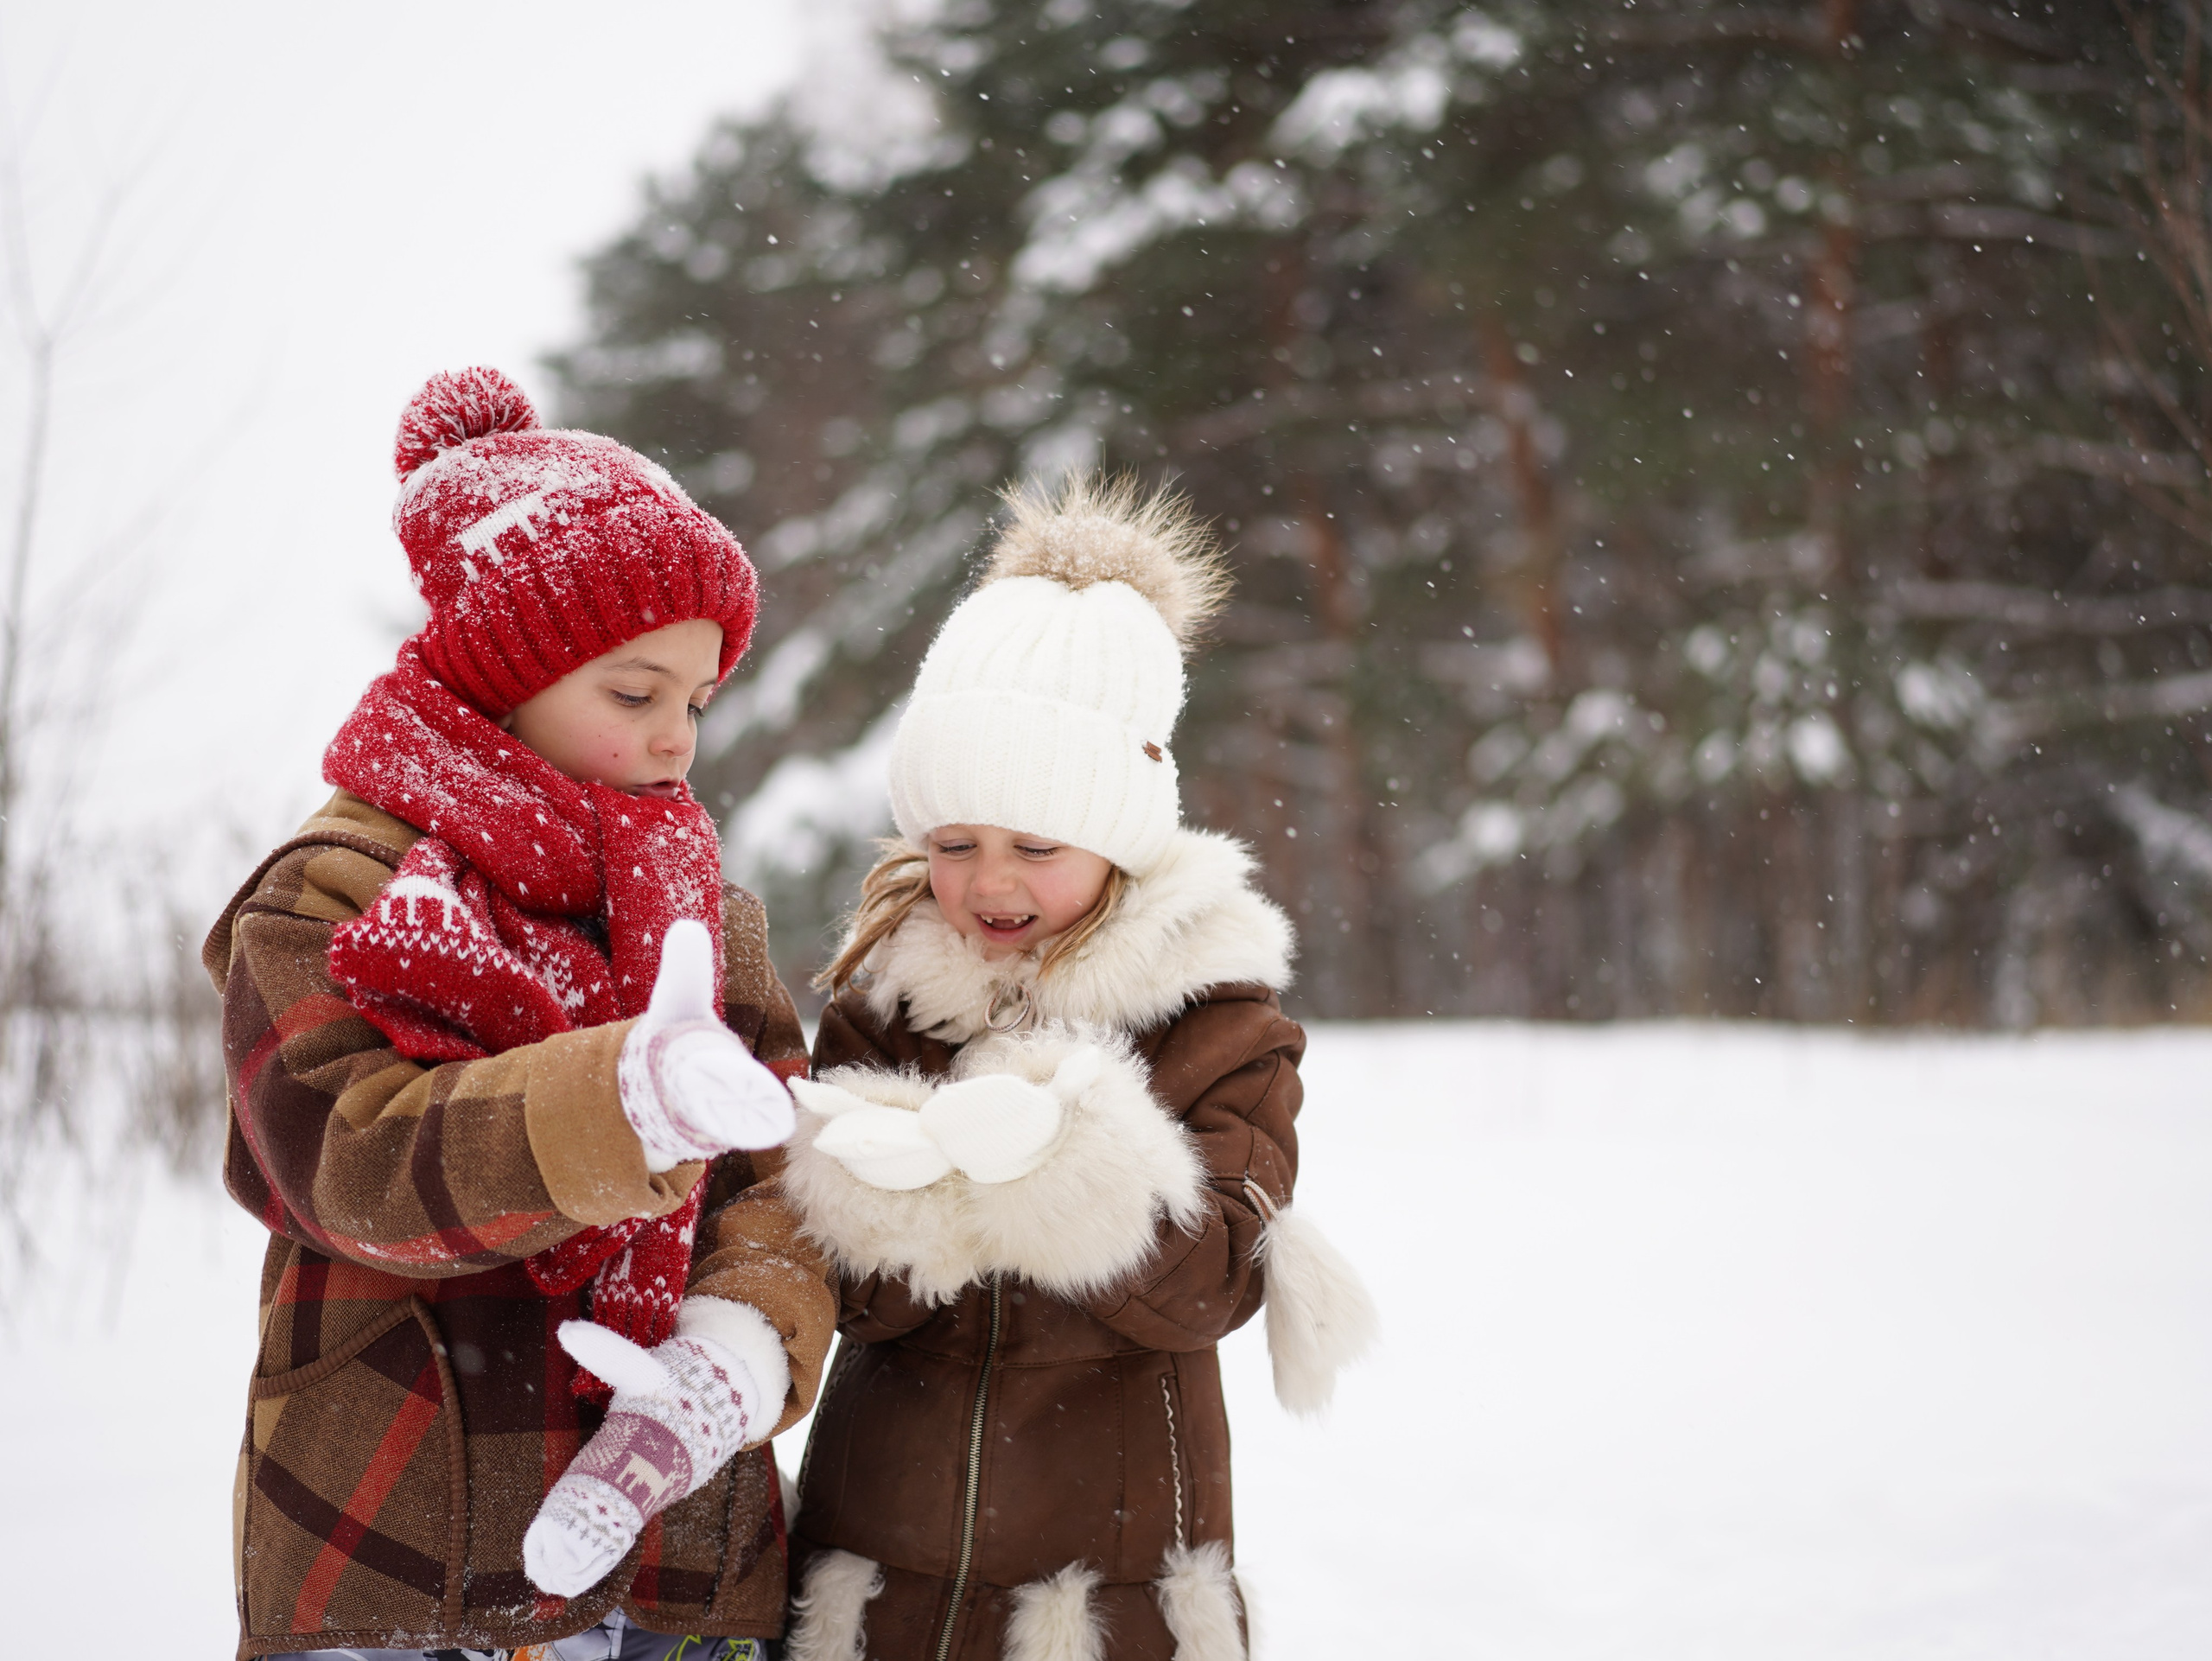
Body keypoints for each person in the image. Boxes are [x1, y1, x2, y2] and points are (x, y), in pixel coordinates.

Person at [203, 367, 836, 1661]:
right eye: (635, 693)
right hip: (405, 1540)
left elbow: (790, 1181)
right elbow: (347, 1161)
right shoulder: (334, 891)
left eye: (697, 702)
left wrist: (736, 1354)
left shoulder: (704, 914)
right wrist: (616, 1104)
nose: (678, 740)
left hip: (675, 1553)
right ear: (506, 672)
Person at [777, 476, 1376, 1661]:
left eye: (1036, 845)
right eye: (954, 843)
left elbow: (1208, 1287)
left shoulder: (1221, 1027)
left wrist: (1063, 1164)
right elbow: (851, 1296)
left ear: (1121, 833)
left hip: (1108, 1588)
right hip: (879, 1572)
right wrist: (890, 1191)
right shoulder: (885, 1008)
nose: (989, 882)